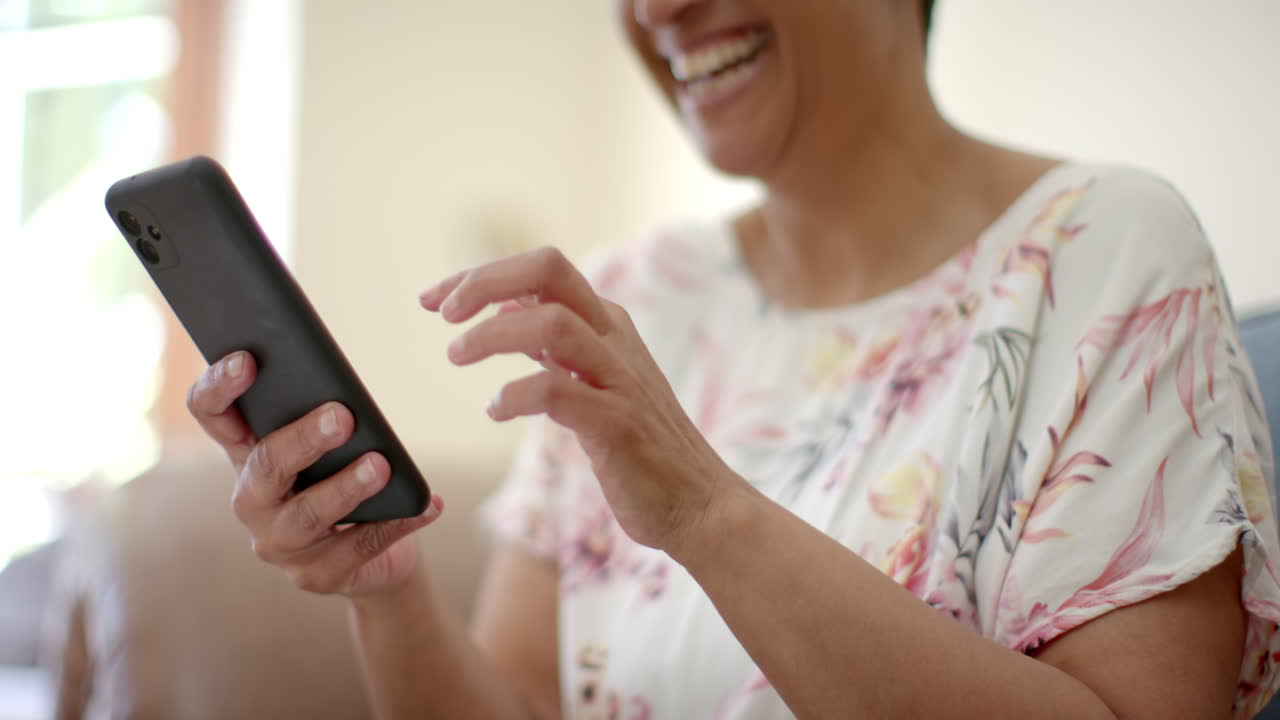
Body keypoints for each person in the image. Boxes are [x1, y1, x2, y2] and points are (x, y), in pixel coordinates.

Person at [185, 1, 1280, 717]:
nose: (657, 11)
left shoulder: (1105, 253)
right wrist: (388, 593)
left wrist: (707, 515)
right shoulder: (634, 297)